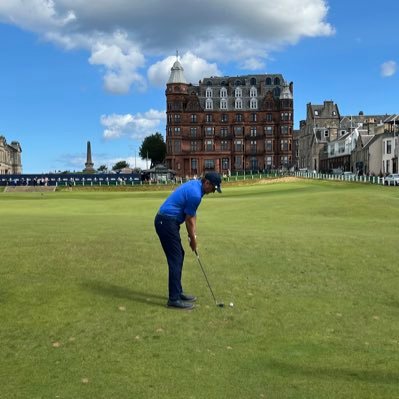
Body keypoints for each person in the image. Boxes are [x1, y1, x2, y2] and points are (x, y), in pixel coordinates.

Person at [154, 172, 222, 310]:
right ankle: (173, 299)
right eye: (213, 188)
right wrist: (192, 240)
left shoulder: (196, 186)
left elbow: (192, 215)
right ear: (207, 183)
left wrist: (193, 237)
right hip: (166, 222)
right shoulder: (196, 194)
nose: (213, 191)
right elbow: (189, 220)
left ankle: (177, 292)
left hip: (168, 221)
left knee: (179, 256)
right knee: (176, 258)